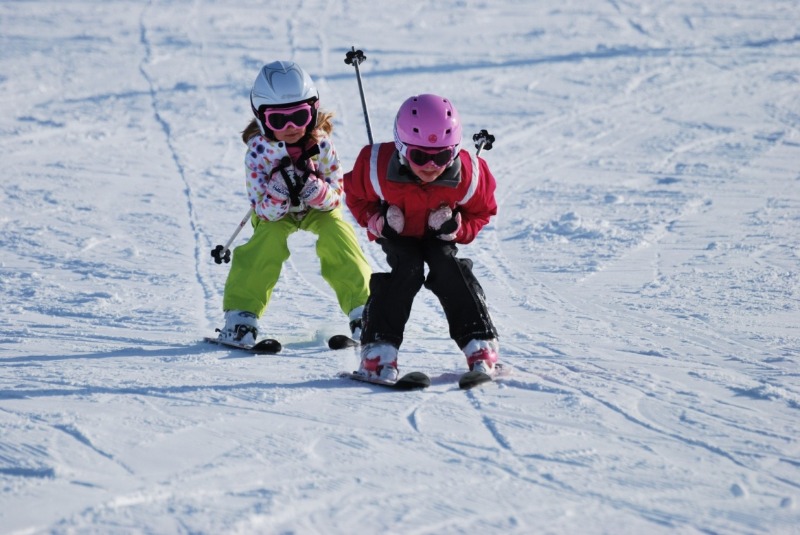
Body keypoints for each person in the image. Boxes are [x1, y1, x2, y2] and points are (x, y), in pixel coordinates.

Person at [344, 93, 500, 382]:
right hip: (397, 232)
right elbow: (354, 195)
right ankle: (378, 350)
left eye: (442, 156)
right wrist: (376, 221)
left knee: (448, 267)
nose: (431, 165)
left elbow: (483, 211)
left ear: (454, 150)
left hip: (438, 234)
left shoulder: (469, 174)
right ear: (402, 149)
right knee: (408, 268)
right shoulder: (376, 167)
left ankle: (479, 343)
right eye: (419, 156)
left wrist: (457, 227)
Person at [217, 60, 371, 345]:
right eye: (278, 120)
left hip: (318, 208)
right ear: (262, 118)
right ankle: (241, 316)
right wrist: (277, 194)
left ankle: (365, 311)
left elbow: (336, 194)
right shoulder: (258, 153)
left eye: (299, 116)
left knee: (338, 235)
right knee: (267, 241)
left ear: (312, 112)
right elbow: (260, 208)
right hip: (276, 213)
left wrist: (314, 189)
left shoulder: (321, 145)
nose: (290, 127)